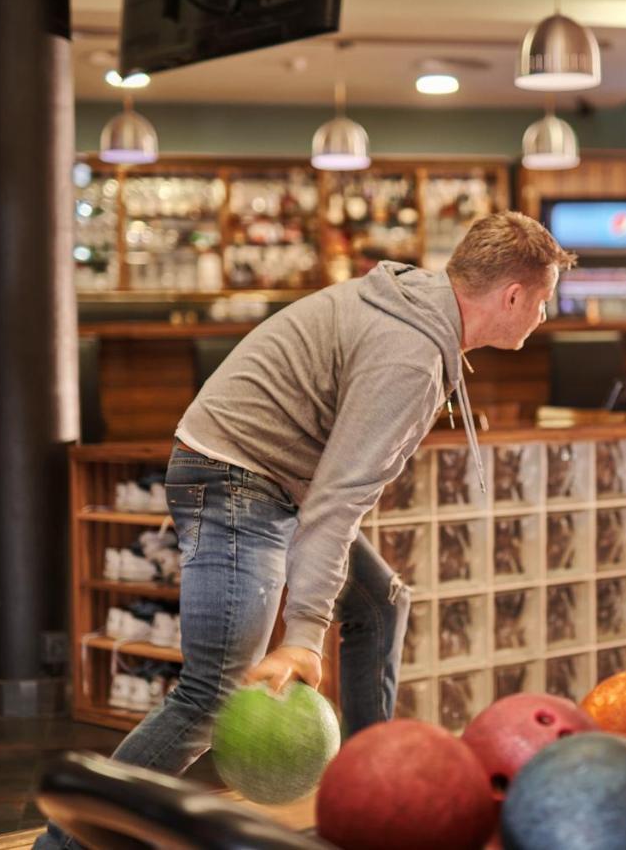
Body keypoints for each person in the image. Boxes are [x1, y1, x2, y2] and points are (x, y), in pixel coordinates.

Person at [35, 212, 575, 849]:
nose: (544, 316)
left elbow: (329, 494)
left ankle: (376, 800)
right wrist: (305, 635)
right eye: (543, 302)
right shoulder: (411, 355)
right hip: (234, 480)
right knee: (209, 696)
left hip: (266, 480)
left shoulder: (414, 313)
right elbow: (337, 503)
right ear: (512, 296)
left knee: (380, 602)